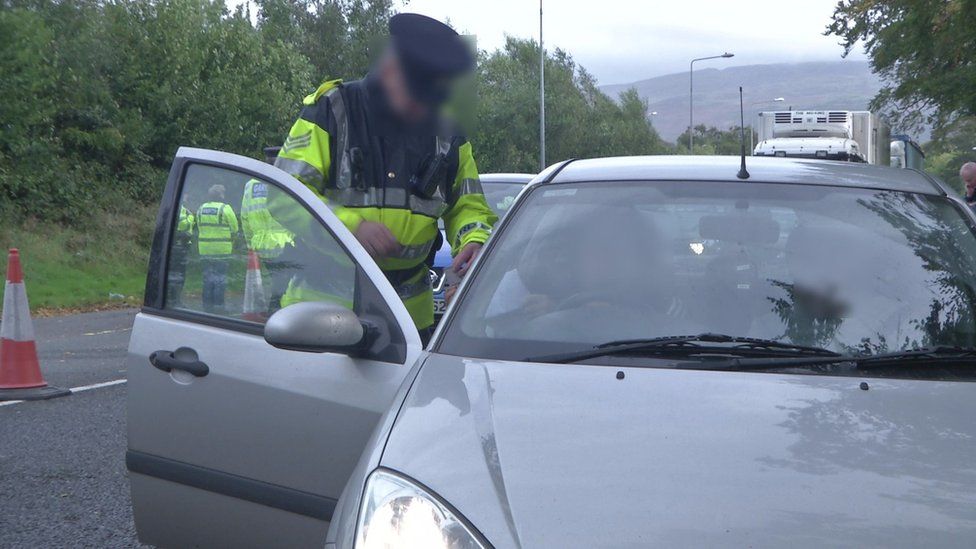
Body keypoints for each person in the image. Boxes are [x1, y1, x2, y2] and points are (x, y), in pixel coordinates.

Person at [274, 13, 497, 340]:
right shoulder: (332, 111)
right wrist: (352, 228)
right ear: (390, 69)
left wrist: (474, 240)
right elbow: (283, 194)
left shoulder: (447, 132)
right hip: (321, 320)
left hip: (408, 325)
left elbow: (468, 206)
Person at [241, 176, 294, 311]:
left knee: (277, 282)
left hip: (262, 245)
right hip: (285, 243)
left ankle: (274, 311)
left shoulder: (250, 185)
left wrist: (250, 244)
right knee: (284, 287)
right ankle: (276, 313)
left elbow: (244, 216)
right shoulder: (285, 177)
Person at [196, 184, 239, 314]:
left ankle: (207, 307)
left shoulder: (201, 208)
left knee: (207, 278)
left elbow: (198, 226)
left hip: (204, 250)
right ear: (221, 195)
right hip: (222, 250)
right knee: (220, 279)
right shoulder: (225, 209)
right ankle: (219, 307)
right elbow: (235, 229)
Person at [167, 196, 195, 307]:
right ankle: (174, 301)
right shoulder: (179, 208)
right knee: (178, 275)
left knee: (178, 274)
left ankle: (174, 300)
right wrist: (191, 217)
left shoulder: (181, 208)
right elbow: (184, 225)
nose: (187, 196)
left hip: (181, 245)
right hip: (178, 245)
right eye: (186, 194)